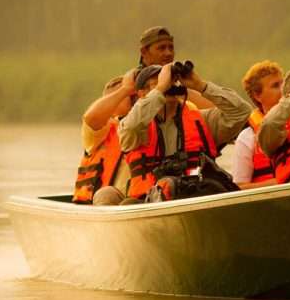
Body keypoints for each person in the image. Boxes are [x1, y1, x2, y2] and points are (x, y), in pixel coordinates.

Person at [119, 62, 251, 201]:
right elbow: (130, 127)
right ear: (141, 93)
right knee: (113, 197)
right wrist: (160, 89)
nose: (169, 84)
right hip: (148, 203)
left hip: (197, 196)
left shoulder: (201, 121)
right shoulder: (137, 127)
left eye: (173, 80)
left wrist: (200, 86)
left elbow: (241, 112)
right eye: (159, 82)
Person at [73, 70, 136, 205]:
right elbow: (91, 118)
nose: (133, 98)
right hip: (108, 202)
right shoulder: (102, 129)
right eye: (129, 95)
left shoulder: (150, 123)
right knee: (107, 195)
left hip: (141, 200)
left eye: (135, 94)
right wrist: (125, 90)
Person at [233, 60, 283, 189]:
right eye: (276, 86)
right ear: (257, 95)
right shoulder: (246, 138)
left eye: (284, 84)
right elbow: (239, 187)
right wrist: (282, 183)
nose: (283, 90)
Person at [137, 26, 214, 109]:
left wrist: (199, 86)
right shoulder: (131, 85)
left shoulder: (181, 86)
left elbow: (215, 109)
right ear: (144, 52)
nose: (168, 53)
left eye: (171, 48)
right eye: (161, 48)